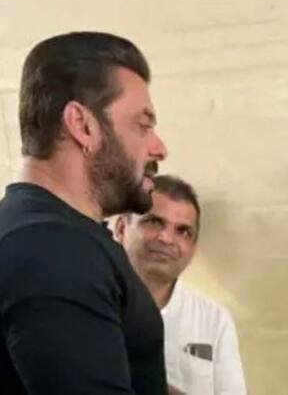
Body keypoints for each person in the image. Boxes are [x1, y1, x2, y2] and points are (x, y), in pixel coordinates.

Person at [0, 32, 168, 394]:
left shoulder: (53, 237)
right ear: (82, 125)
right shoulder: (51, 251)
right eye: (143, 125)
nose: (159, 147)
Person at [114, 174, 247, 395]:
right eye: (154, 222)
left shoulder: (214, 320)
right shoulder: (86, 304)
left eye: (183, 231)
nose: (167, 239)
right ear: (120, 229)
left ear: (193, 247)